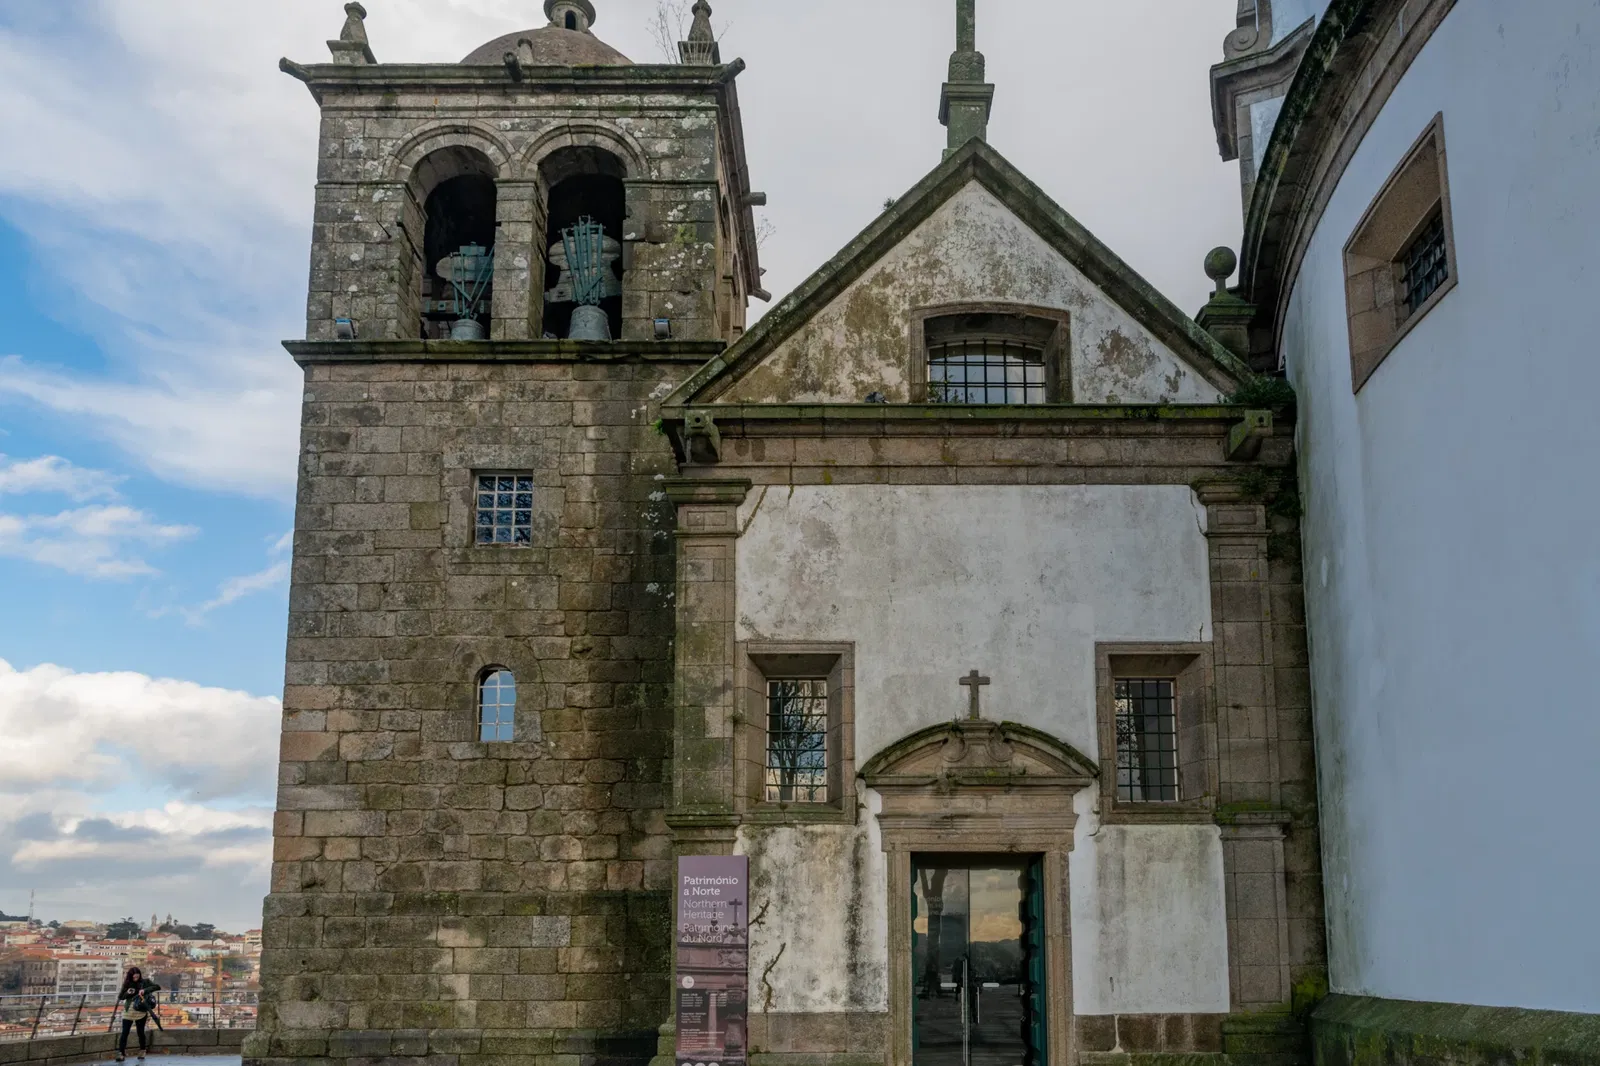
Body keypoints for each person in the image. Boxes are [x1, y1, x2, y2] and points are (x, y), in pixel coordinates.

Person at [115, 966, 161, 1062]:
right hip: (129, 1011)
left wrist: (145, 990)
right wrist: (128, 993)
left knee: (140, 1032)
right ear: (130, 976)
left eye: (137, 976)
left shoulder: (145, 982)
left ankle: (142, 1050)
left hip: (141, 1010)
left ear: (140, 975)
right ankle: (121, 1053)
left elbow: (157, 987)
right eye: (134, 977)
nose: (136, 978)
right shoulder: (127, 984)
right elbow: (121, 997)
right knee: (124, 1033)